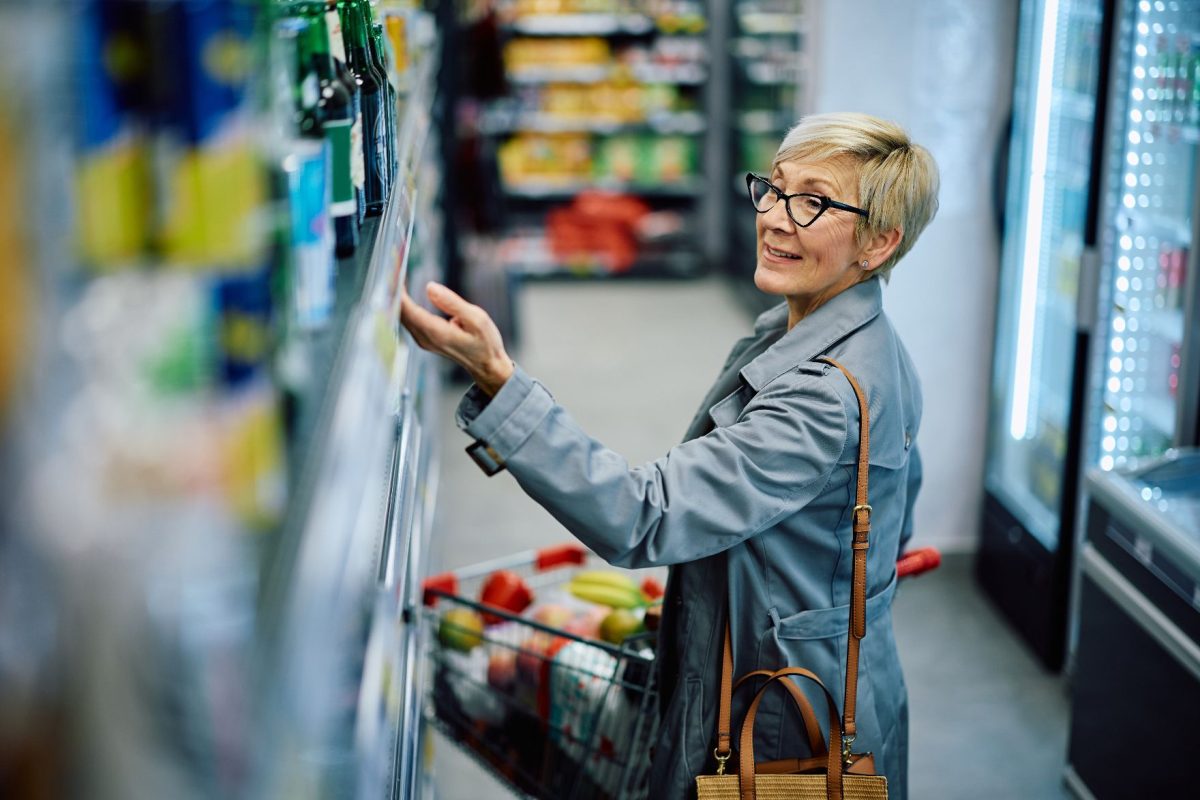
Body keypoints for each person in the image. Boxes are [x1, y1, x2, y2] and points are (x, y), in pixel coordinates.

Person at [402, 111, 939, 799]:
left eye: (813, 203)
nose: (775, 218)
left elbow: (646, 515)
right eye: (774, 189)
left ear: (879, 242)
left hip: (778, 725)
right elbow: (895, 516)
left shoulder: (826, 394)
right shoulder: (857, 343)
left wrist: (502, 387)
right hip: (819, 681)